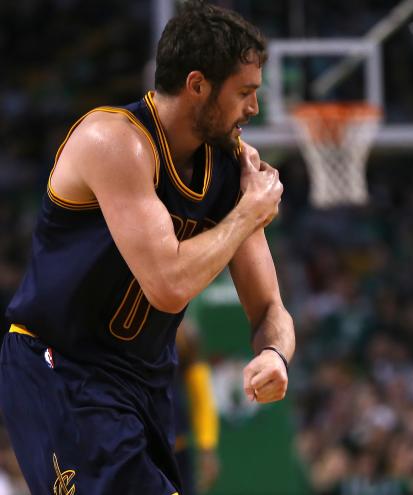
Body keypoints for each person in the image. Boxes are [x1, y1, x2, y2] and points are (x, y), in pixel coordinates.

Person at [0, 1, 295, 494]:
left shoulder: (226, 169)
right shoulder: (113, 141)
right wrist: (247, 213)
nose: (255, 109)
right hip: (62, 367)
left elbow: (270, 307)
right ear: (198, 85)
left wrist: (274, 355)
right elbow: (168, 285)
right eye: (244, 92)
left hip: (145, 386)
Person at [174, 319, 220, 495]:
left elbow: (202, 400)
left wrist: (207, 449)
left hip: (176, 452)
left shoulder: (184, 336)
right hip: (135, 449)